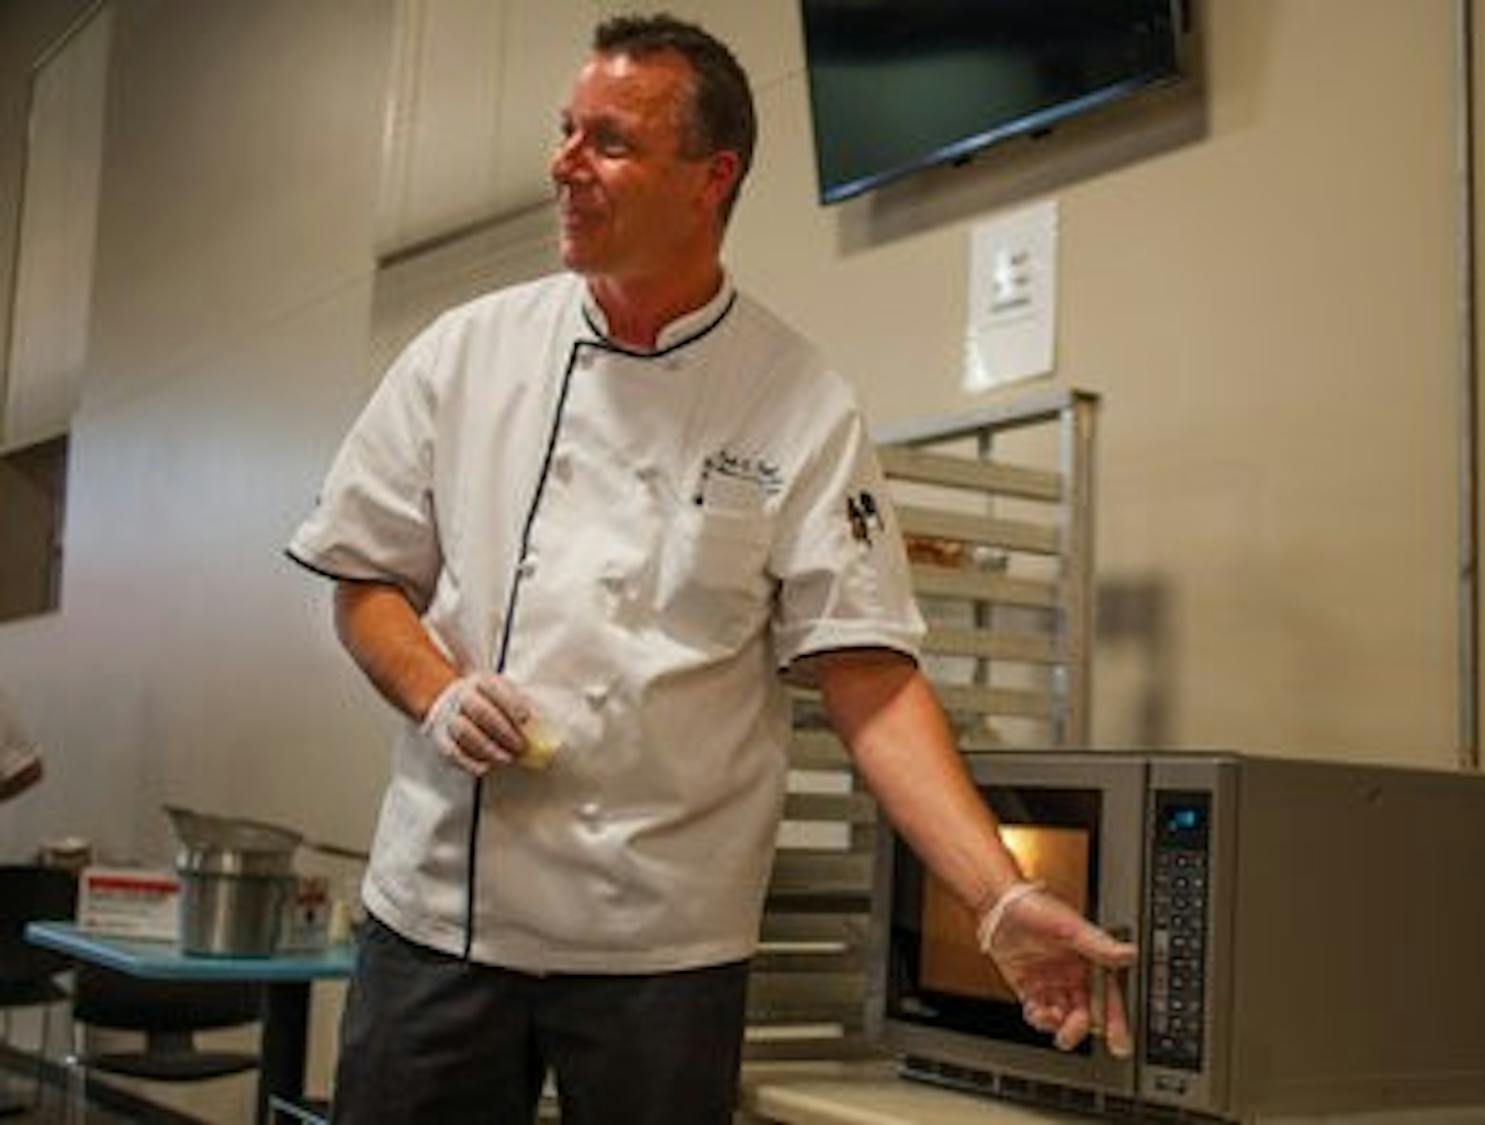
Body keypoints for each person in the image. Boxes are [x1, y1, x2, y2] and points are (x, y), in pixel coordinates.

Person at [288, 13, 1135, 1124]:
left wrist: (997, 897)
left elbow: (870, 682)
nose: (564, 165)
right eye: (564, 132)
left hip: (665, 952)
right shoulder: (466, 352)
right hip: (444, 916)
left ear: (709, 178)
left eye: (609, 143)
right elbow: (366, 581)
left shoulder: (798, 403)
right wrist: (437, 693)